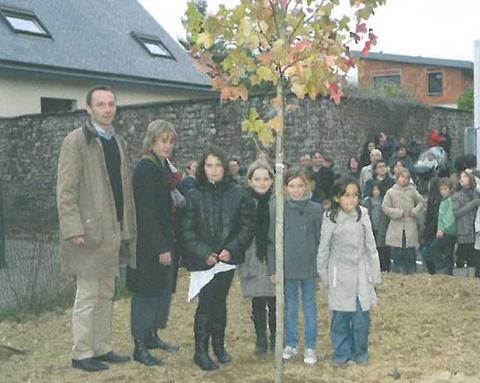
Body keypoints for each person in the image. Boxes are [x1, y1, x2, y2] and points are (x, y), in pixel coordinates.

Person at [57, 86, 136, 372]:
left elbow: (123, 187)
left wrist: (126, 225)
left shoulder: (118, 141)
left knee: (106, 291)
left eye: (111, 104)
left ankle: (101, 347)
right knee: (88, 294)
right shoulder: (76, 142)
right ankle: (81, 353)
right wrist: (73, 228)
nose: (107, 109)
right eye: (100, 104)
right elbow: (66, 191)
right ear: (88, 109)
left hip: (113, 229)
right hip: (88, 231)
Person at [179, 145, 255, 371]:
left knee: (220, 303)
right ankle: (200, 351)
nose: (213, 170)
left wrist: (231, 249)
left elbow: (246, 225)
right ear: (203, 168)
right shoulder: (193, 194)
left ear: (225, 167)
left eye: (217, 165)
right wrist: (204, 253)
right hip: (203, 260)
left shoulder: (238, 193)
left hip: (226, 259)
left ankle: (219, 346)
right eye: (208, 166)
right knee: (205, 304)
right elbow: (186, 229)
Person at [126, 120, 179, 367]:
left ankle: (152, 336)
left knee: (159, 292)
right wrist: (161, 247)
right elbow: (145, 212)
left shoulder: (163, 166)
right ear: (152, 141)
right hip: (148, 244)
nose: (167, 146)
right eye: (163, 141)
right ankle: (140, 345)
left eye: (170, 141)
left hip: (163, 238)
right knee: (146, 294)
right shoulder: (146, 169)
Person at [317, 177, 381, 367]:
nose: (351, 200)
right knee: (341, 318)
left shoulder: (363, 215)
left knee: (362, 318)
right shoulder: (330, 217)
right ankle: (341, 352)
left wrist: (374, 276)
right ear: (337, 198)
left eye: (355, 195)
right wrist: (325, 276)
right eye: (346, 196)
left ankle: (360, 351)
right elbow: (324, 249)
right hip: (339, 274)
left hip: (361, 273)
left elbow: (371, 246)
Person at [268, 167, 323, 365]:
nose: (296, 190)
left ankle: (310, 345)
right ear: (285, 188)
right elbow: (272, 240)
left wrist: (320, 266)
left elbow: (320, 239)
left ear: (307, 186)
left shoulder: (315, 210)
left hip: (308, 266)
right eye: (292, 186)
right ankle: (290, 342)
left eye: (300, 185)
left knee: (309, 306)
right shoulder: (278, 208)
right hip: (287, 267)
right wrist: (273, 268)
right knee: (290, 306)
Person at [238, 160, 276, 355]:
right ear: (250, 181)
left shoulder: (277, 203)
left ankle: (276, 337)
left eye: (266, 178)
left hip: (272, 256)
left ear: (271, 180)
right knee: (258, 300)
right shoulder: (245, 203)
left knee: (275, 300)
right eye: (257, 179)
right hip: (253, 255)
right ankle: (261, 338)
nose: (262, 182)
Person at [382, 169, 424, 274]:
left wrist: (414, 211)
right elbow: (385, 207)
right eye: (402, 177)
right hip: (396, 225)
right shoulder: (391, 192)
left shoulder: (413, 191)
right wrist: (397, 213)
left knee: (410, 251)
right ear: (397, 178)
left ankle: (412, 272)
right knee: (397, 251)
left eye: (406, 178)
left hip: (410, 224)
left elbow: (421, 202)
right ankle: (398, 272)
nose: (404, 180)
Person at [453, 171, 480, 276]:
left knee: (473, 258)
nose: (462, 179)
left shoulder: (476, 193)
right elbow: (456, 213)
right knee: (461, 256)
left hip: (475, 231)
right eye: (461, 177)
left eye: (465, 176)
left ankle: (471, 279)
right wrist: (472, 204)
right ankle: (461, 279)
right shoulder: (457, 196)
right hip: (463, 231)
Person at [362, 180, 391, 272]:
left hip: (382, 228)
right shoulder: (366, 201)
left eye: (377, 189)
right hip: (370, 228)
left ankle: (384, 269)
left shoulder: (385, 201)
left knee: (383, 250)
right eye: (374, 189)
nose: (376, 191)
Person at [433, 177, 456, 275]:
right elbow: (440, 218)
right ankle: (446, 270)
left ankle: (443, 269)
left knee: (437, 248)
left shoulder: (450, 201)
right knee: (447, 252)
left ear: (450, 189)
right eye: (441, 189)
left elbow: (449, 217)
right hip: (443, 230)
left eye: (445, 189)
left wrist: (442, 229)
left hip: (449, 231)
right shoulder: (443, 201)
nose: (442, 191)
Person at [421, 177, 442, 274]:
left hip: (432, 230)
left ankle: (433, 272)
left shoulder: (434, 200)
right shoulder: (435, 199)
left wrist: (427, 231)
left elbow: (433, 217)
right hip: (434, 229)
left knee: (428, 253)